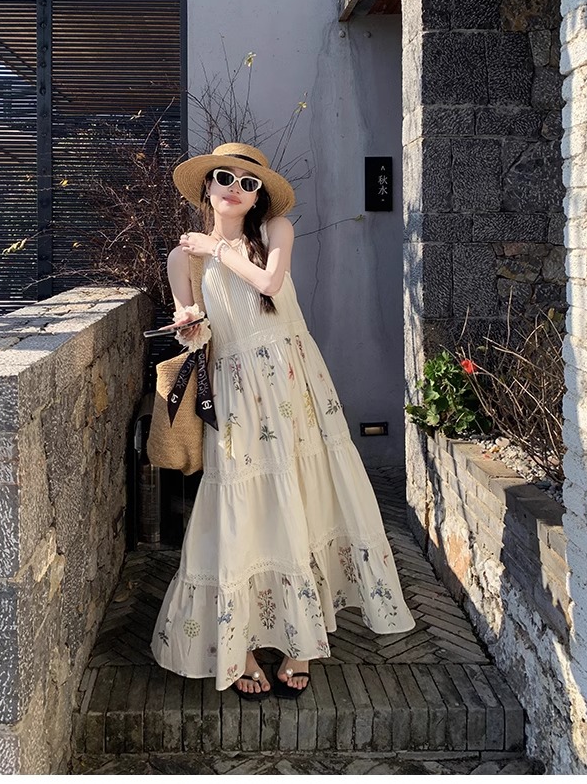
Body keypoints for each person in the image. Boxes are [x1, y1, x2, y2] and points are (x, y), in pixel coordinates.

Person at [151, 142, 415, 699]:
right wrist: (191, 327)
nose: (235, 188)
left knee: (303, 493)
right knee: (237, 503)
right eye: (224, 178)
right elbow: (194, 330)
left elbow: (269, 285)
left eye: (248, 183)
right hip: (235, 392)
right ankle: (240, 642)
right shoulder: (184, 257)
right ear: (206, 187)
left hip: (294, 382)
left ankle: (301, 639)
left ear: (258, 197)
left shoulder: (275, 232)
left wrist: (219, 250)